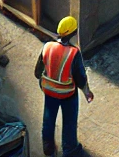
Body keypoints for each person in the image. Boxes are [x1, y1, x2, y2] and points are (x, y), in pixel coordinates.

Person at [35, 15, 94, 157]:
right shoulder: (74, 53)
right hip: (67, 93)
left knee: (48, 119)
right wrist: (87, 92)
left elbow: (37, 73)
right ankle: (70, 149)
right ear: (73, 33)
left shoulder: (47, 47)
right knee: (69, 121)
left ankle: (48, 148)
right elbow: (80, 78)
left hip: (49, 91)